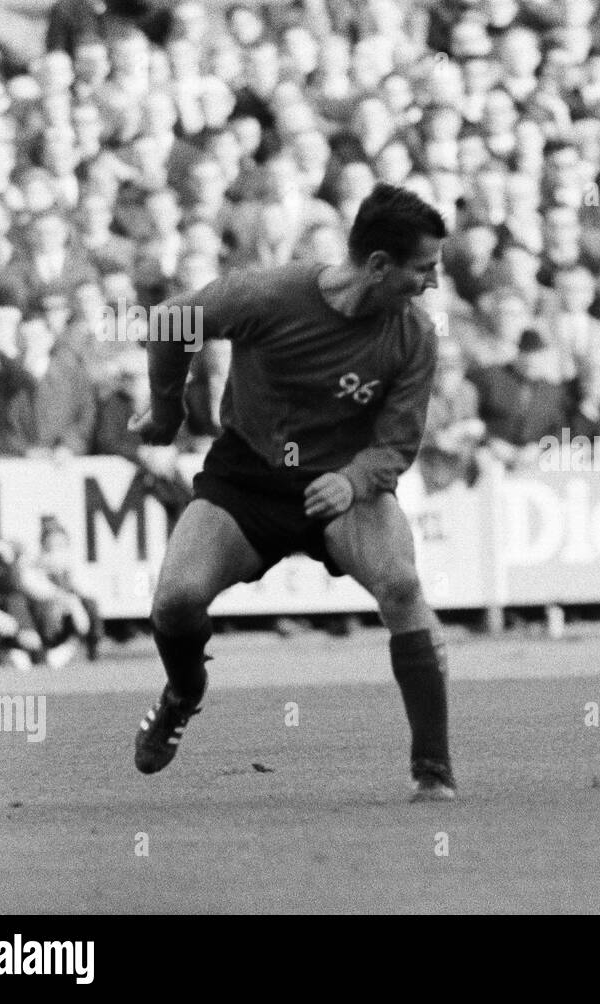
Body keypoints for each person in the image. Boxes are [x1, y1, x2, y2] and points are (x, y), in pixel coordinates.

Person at [129, 183, 456, 801]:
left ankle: (433, 773)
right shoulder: (270, 295)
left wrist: (355, 479)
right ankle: (183, 694)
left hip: (344, 486)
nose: (433, 283)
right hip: (249, 476)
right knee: (174, 603)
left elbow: (398, 442)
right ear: (379, 266)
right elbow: (171, 321)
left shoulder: (414, 335)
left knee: (403, 586)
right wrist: (165, 413)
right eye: (424, 269)